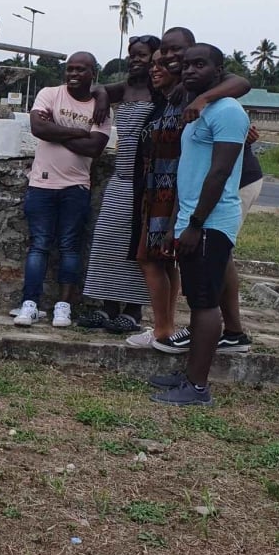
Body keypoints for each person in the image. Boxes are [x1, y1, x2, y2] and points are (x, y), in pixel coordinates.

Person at [152, 42, 250, 407]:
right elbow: (188, 172)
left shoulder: (227, 112)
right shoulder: (199, 112)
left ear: (218, 71)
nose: (191, 70)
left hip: (210, 222)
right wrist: (176, 223)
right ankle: (190, 374)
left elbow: (221, 172)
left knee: (205, 304)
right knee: (198, 301)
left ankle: (197, 387)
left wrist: (195, 224)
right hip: (191, 220)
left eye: (200, 65)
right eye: (187, 65)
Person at [13, 52, 110, 328]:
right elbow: (37, 127)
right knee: (38, 246)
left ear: (93, 73)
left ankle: (63, 307)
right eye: (70, 69)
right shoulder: (50, 93)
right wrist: (78, 132)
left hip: (76, 186)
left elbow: (95, 148)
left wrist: (57, 130)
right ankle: (29, 304)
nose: (74, 74)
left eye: (81, 70)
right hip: (41, 184)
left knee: (70, 248)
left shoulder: (100, 107)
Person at [73, 35, 158, 333]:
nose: (136, 60)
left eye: (143, 55)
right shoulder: (127, 88)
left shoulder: (162, 90)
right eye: (132, 55)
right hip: (120, 178)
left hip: (146, 182)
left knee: (136, 248)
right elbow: (95, 88)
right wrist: (106, 98)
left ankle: (134, 311)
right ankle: (108, 308)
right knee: (107, 242)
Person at [216, 125, 263, 353]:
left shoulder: (212, 99)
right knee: (218, 252)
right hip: (223, 179)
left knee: (218, 250)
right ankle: (230, 331)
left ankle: (230, 331)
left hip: (235, 180)